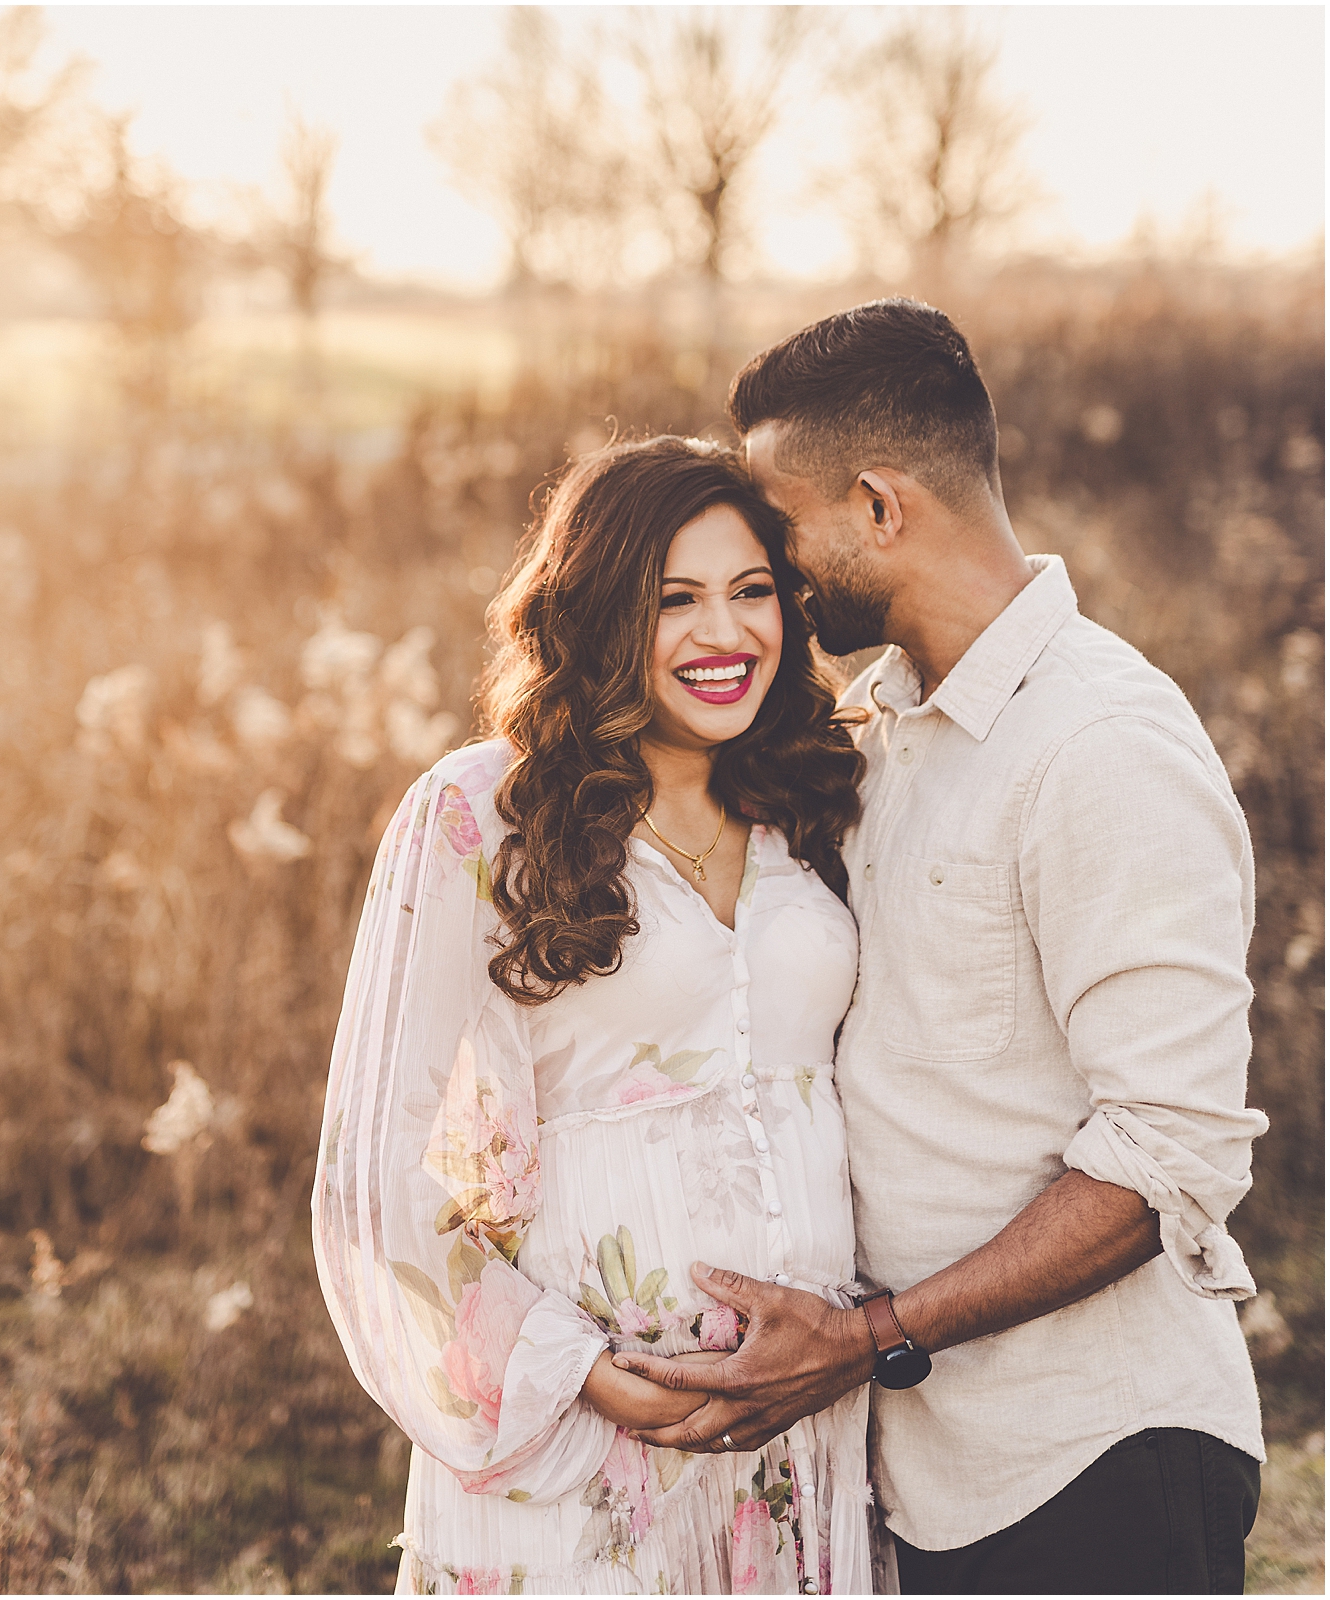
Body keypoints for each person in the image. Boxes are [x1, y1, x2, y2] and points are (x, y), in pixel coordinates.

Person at [613, 300, 1268, 1595]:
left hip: (1097, 1458)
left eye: (778, 528)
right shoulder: (882, 729)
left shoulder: (1100, 746)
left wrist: (871, 1337)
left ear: (876, 504)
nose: (771, 571)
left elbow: (1168, 1159)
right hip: (925, 1468)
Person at [313, 436, 892, 1594]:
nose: (723, 635)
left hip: (800, 1434)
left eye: (751, 592)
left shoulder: (817, 797)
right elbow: (376, 1172)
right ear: (594, 612)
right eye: (672, 600)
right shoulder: (480, 813)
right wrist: (579, 1372)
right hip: (584, 1444)